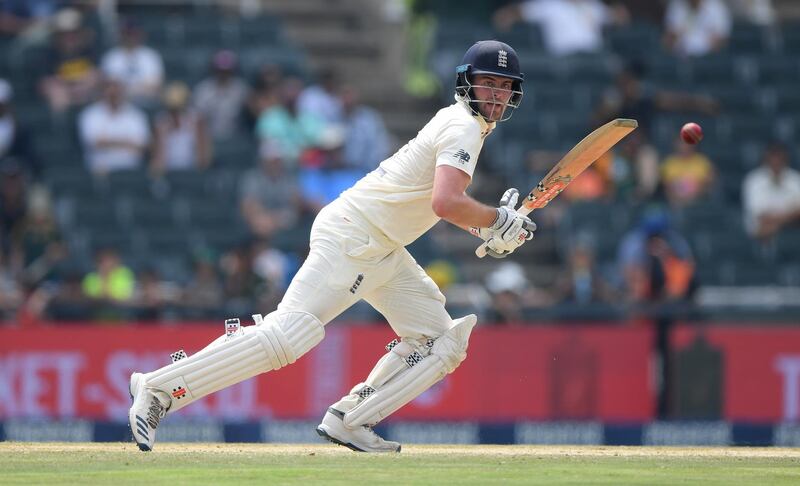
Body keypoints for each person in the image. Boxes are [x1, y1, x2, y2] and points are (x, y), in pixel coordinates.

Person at [128, 40, 536, 453]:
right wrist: (497, 221)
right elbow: (445, 203)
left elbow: (428, 200)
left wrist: (488, 228)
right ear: (467, 83)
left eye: (505, 85)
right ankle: (158, 388)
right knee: (289, 336)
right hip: (354, 236)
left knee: (439, 340)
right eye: (489, 83)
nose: (498, 94)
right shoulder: (463, 125)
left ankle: (351, 420)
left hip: (383, 247)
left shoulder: (464, 124)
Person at [492, 0, 629, 57]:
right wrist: (506, 16)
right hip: (564, 60)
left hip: (592, 59)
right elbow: (518, 12)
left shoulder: (593, 5)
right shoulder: (550, 4)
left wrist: (619, 13)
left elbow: (619, 18)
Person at [78, 77, 151, 177]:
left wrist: (108, 142)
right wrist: (127, 142)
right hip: (100, 172)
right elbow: (94, 143)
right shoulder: (90, 114)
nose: (114, 94)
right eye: (110, 90)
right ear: (103, 92)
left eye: (117, 90)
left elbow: (143, 145)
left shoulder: (137, 115)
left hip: (132, 172)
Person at [100, 19, 164, 108]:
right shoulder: (111, 57)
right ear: (122, 34)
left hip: (145, 104)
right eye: (128, 33)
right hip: (116, 104)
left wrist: (126, 89)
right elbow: (110, 86)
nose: (131, 37)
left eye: (134, 33)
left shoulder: (150, 56)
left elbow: (155, 86)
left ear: (140, 34)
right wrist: (137, 88)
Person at [742, 143, 800, 240]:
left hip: (793, 229)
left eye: (779, 159)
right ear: (766, 159)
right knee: (765, 229)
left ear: (785, 160)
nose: (776, 162)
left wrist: (778, 223)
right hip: (763, 233)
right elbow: (761, 217)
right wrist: (789, 216)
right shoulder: (754, 180)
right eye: (773, 158)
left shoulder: (795, 179)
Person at [663, 0, 731, 57]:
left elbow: (722, 40)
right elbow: (668, 39)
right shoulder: (676, 6)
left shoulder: (716, 7)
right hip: (681, 57)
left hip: (709, 58)